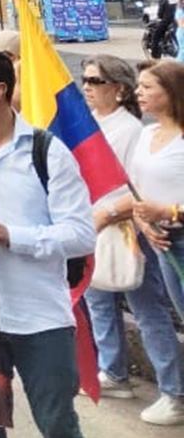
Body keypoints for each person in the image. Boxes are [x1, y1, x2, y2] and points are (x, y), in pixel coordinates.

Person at [0, 50, 94, 438]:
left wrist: (13, 235)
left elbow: (81, 234)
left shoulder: (47, 153)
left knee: (58, 425)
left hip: (39, 318)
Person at [94, 60, 184, 423]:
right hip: (160, 241)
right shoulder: (148, 134)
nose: (139, 93)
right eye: (140, 86)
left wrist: (170, 212)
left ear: (172, 92)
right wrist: (145, 223)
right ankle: (173, 394)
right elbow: (135, 188)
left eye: (148, 87)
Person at [79, 56, 165, 402]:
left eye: (95, 81)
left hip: (127, 230)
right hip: (94, 224)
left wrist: (111, 214)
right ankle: (113, 371)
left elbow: (136, 187)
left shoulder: (129, 129)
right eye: (84, 79)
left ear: (118, 89)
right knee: (99, 302)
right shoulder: (91, 122)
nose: (86, 86)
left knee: (147, 309)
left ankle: (172, 387)